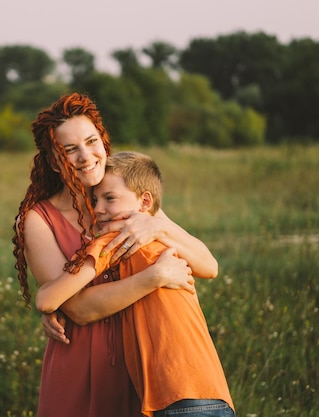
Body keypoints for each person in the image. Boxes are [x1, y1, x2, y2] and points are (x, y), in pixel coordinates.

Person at [12, 93, 218, 417]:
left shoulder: (124, 199)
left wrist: (156, 228)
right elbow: (76, 308)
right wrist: (154, 278)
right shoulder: (38, 220)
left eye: (91, 141)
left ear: (103, 141)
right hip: (77, 363)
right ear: (54, 161)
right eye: (70, 149)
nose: (86, 155)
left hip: (138, 360)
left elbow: (208, 265)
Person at [35, 151, 235, 417]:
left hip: (175, 397)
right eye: (95, 200)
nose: (99, 209)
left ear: (145, 202)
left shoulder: (115, 241)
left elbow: (46, 299)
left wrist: (51, 305)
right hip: (212, 391)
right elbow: (210, 268)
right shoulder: (169, 246)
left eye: (110, 198)